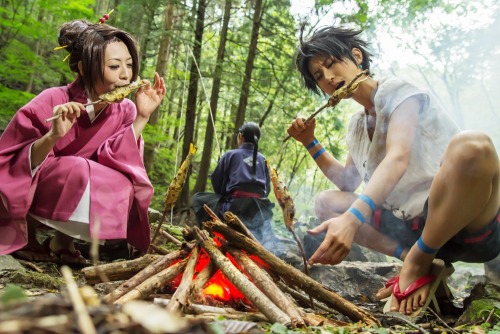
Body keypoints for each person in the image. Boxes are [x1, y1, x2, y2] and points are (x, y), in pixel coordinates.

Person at [286, 25, 500, 315]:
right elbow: (347, 182)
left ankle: (416, 261)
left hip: (466, 221)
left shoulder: (396, 91)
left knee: (473, 145)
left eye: (331, 64)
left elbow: (398, 158)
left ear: (357, 56)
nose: (329, 78)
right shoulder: (356, 125)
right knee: (328, 202)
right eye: (319, 76)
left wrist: (352, 221)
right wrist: (310, 142)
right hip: (414, 228)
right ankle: (417, 257)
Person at [0, 18, 166, 265]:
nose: (125, 75)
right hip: (45, 185)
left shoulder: (126, 110)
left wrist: (142, 117)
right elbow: (12, 161)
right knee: (77, 168)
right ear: (83, 68)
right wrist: (52, 136)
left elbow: (118, 160)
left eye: (129, 66)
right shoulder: (53, 99)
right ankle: (29, 234)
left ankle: (63, 241)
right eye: (114, 66)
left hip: (82, 181)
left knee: (122, 182)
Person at [192, 122, 276, 248]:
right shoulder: (263, 159)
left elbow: (217, 183)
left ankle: (210, 238)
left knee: (199, 199)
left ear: (240, 136)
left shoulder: (230, 155)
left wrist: (226, 193)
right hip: (260, 208)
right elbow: (267, 189)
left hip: (235, 207)